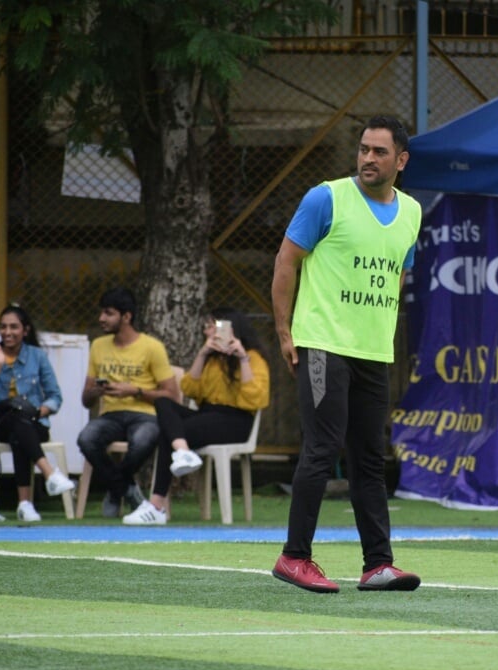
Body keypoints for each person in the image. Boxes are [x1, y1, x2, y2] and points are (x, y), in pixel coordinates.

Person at [270, 115, 422, 593]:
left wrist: (377, 327)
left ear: (401, 160)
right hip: (323, 344)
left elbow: (398, 272)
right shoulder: (326, 198)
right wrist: (285, 332)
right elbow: (286, 261)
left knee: (369, 459)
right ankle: (295, 557)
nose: (367, 159)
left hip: (372, 353)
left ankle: (378, 564)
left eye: (379, 151)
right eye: (363, 149)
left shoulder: (412, 212)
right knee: (321, 448)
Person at [123, 307, 271, 525]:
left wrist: (242, 359)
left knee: (169, 432)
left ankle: (156, 505)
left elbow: (256, 399)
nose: (207, 331)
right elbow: (189, 389)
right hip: (207, 415)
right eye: (206, 327)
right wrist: (202, 354)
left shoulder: (253, 358)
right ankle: (182, 452)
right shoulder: (211, 358)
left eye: (213, 326)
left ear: (230, 328)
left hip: (236, 420)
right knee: (164, 403)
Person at [77, 287, 181, 518]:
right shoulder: (98, 345)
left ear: (126, 316)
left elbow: (172, 395)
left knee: (144, 439)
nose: (101, 318)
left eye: (108, 313)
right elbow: (85, 400)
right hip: (111, 415)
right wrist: (97, 390)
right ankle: (126, 489)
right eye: (102, 313)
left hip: (144, 414)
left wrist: (133, 390)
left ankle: (116, 491)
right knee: (86, 438)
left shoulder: (152, 347)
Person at [0, 304, 74, 522]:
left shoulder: (37, 356)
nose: (7, 332)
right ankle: (48, 476)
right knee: (17, 423)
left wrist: (38, 412)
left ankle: (25, 504)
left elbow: (55, 396)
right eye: (3, 327)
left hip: (33, 422)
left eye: (14, 327)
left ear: (25, 330)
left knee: (21, 429)